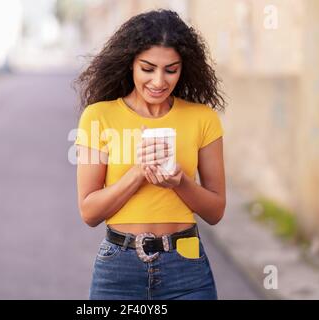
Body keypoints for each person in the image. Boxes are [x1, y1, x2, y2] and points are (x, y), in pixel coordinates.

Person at [73, 9, 226, 300]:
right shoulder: (98, 117)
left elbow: (215, 211)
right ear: (129, 63)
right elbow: (89, 212)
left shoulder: (202, 119)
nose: (159, 81)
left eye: (171, 69)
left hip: (186, 266)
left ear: (184, 68)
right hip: (118, 270)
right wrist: (138, 173)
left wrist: (179, 182)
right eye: (148, 68)